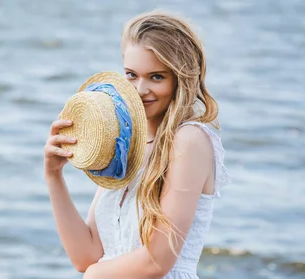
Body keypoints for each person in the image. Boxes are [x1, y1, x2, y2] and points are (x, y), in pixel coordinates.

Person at [43, 10, 230, 279]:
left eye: (156, 77)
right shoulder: (126, 145)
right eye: (131, 75)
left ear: (180, 78)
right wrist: (53, 175)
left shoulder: (188, 140)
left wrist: (93, 277)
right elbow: (86, 256)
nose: (140, 89)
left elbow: (157, 262)